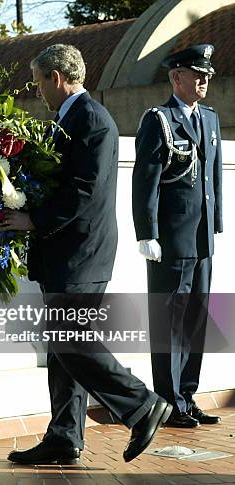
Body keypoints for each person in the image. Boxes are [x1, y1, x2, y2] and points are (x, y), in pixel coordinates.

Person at [0, 44, 170, 465]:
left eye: (39, 80)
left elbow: (84, 191)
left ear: (57, 77)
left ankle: (141, 404)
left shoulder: (92, 120)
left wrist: (33, 220)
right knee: (61, 350)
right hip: (66, 252)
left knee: (70, 340)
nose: (37, 88)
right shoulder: (66, 118)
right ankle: (64, 437)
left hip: (81, 253)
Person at [132, 45, 222, 428]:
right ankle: (168, 404)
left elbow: (213, 178)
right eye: (196, 74)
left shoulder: (210, 119)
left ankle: (187, 395)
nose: (203, 81)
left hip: (201, 240)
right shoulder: (159, 120)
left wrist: (215, 223)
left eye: (207, 75)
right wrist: (146, 233)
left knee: (196, 319)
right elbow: (145, 181)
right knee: (169, 321)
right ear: (175, 77)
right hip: (170, 239)